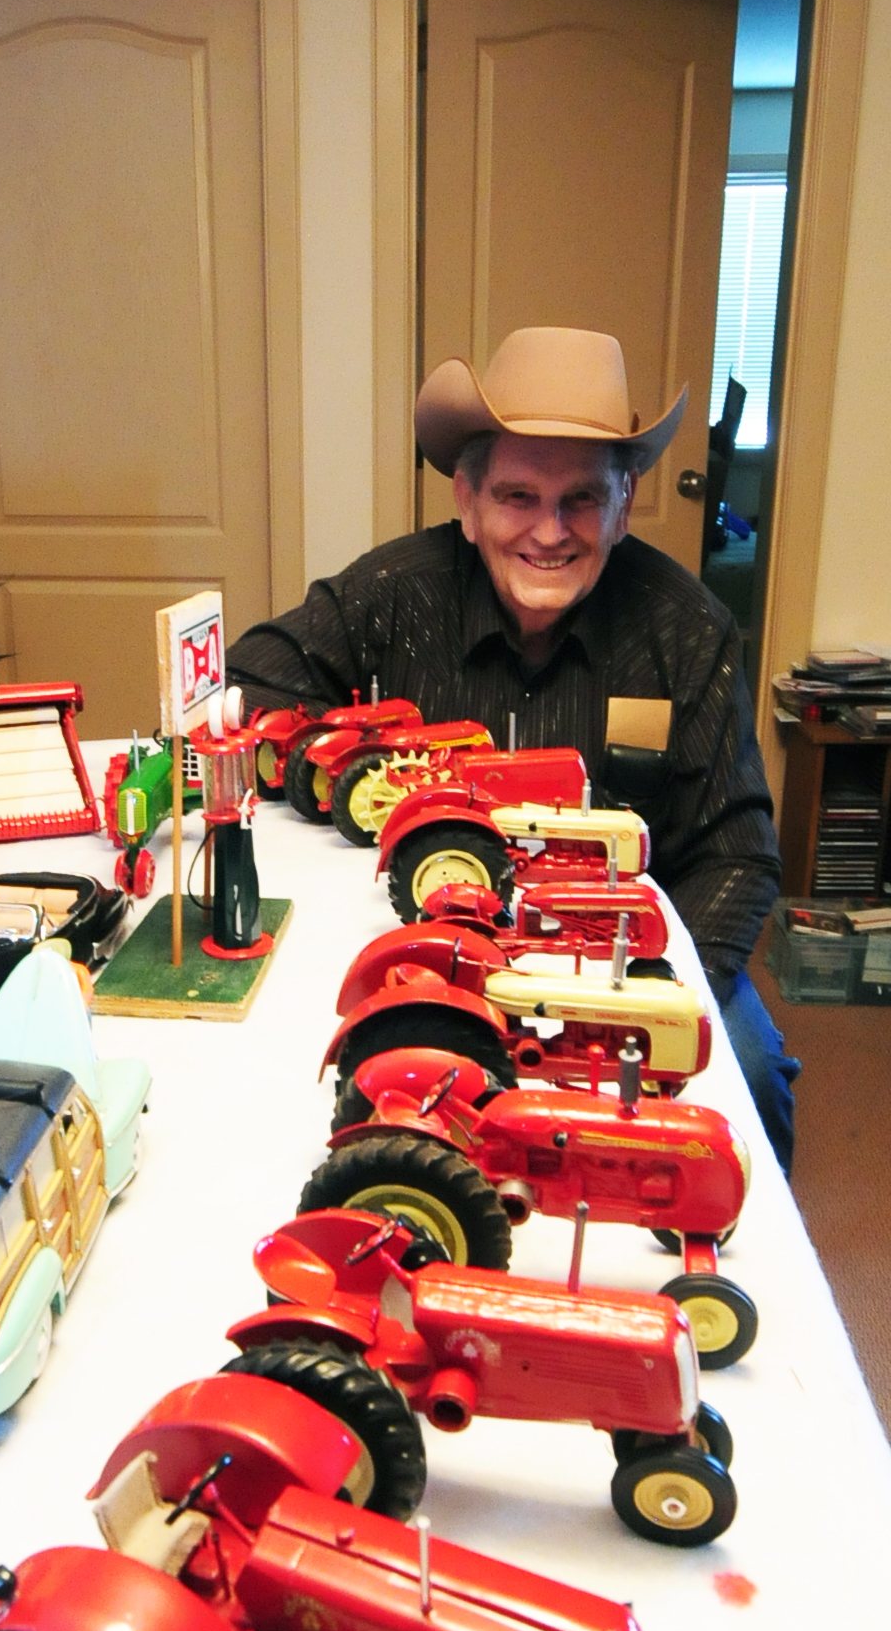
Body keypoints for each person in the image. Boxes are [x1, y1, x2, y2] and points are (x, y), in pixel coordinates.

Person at [226, 325, 798, 1170]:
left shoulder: (688, 629)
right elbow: (254, 682)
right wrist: (361, 778)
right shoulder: (396, 592)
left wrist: (642, 997)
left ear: (624, 502)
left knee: (749, 1079)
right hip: (434, 929)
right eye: (518, 497)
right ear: (467, 498)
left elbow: (740, 854)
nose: (549, 532)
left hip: (625, 947)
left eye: (580, 501)